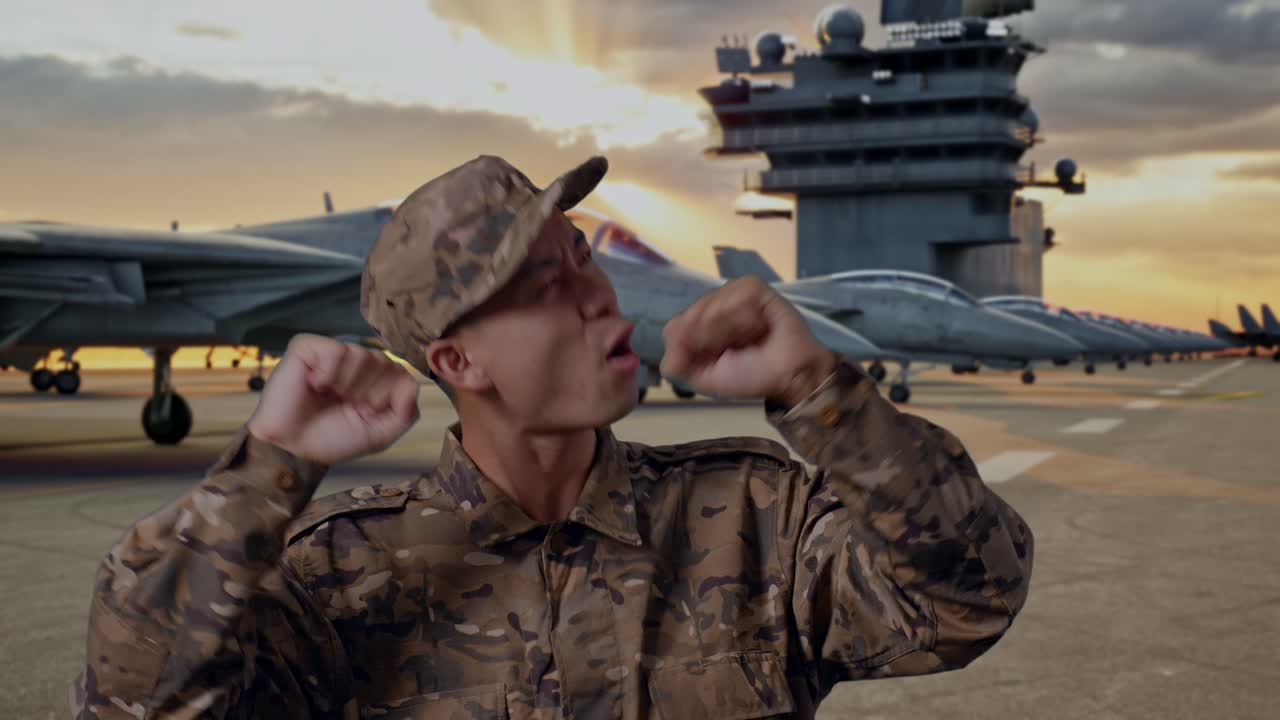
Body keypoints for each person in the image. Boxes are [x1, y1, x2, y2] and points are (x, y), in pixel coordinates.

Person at [71, 155, 1034, 719]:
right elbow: (137, 705)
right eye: (542, 284)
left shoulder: (755, 521)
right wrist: (262, 476)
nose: (595, 293)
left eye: (583, 256)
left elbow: (969, 598)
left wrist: (822, 394)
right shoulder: (336, 578)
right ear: (457, 365)